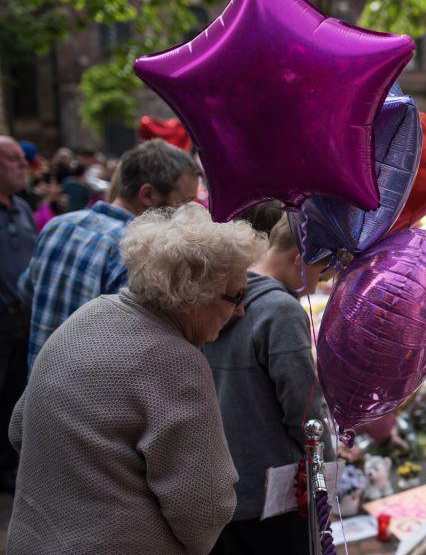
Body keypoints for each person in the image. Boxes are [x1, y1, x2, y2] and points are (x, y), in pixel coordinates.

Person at [7, 203, 266, 555]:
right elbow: (205, 508)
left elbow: (19, 427)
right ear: (194, 294)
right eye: (236, 296)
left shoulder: (89, 315)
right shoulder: (177, 361)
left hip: (32, 540)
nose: (240, 310)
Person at [204, 214, 333, 555]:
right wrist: (328, 467)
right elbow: (302, 411)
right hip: (271, 493)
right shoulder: (281, 310)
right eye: (320, 273)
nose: (319, 286)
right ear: (299, 260)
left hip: (223, 483)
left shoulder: (219, 295)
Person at [19, 139, 201, 372]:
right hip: (90, 400)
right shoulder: (138, 254)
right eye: (184, 203)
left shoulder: (58, 225)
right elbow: (141, 348)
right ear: (148, 194)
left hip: (38, 394)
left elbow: (26, 291)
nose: (186, 213)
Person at [0, 137, 35, 493]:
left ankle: (6, 468)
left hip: (20, 317)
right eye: (13, 160)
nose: (23, 164)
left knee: (13, 394)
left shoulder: (23, 210)